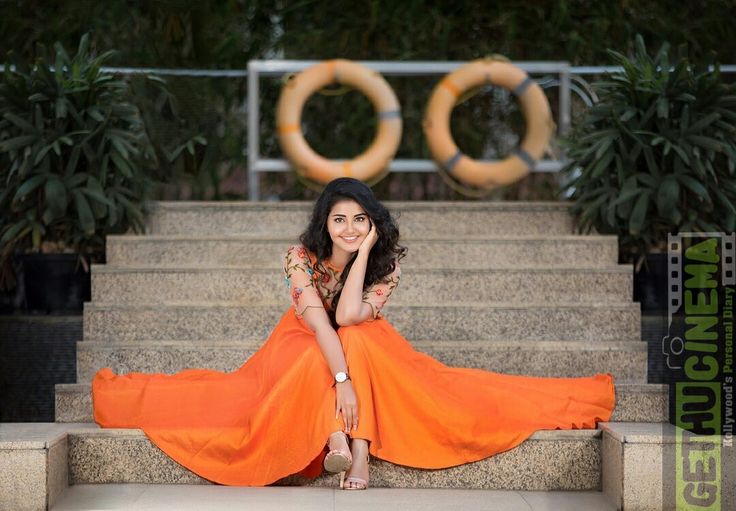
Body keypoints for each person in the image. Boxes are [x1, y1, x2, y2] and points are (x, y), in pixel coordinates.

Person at [92, 177, 616, 490]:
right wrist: (340, 378)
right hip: (300, 339)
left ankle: (353, 445)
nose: (347, 228)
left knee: (362, 337)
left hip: (366, 345)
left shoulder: (386, 265)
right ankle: (342, 437)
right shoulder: (300, 256)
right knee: (314, 355)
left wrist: (363, 256)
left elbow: (349, 317)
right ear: (325, 222)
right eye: (339, 220)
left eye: (359, 221)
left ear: (372, 224)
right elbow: (320, 321)